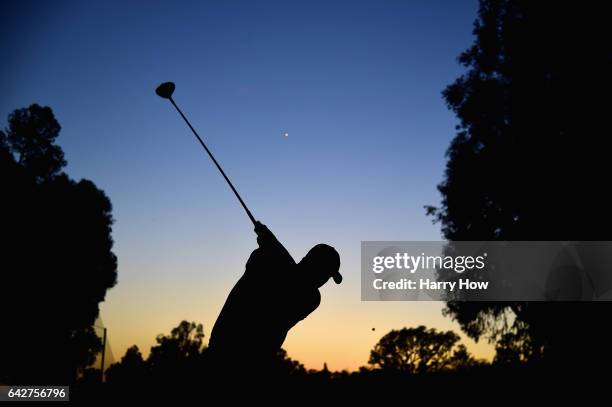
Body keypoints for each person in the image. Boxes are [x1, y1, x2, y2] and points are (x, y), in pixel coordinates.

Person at [208, 221, 341, 373]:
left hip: (254, 360)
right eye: (324, 273)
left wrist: (272, 244)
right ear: (313, 265)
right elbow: (280, 271)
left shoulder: (311, 298)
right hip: (228, 348)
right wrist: (273, 245)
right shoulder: (268, 262)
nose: (324, 280)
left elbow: (292, 278)